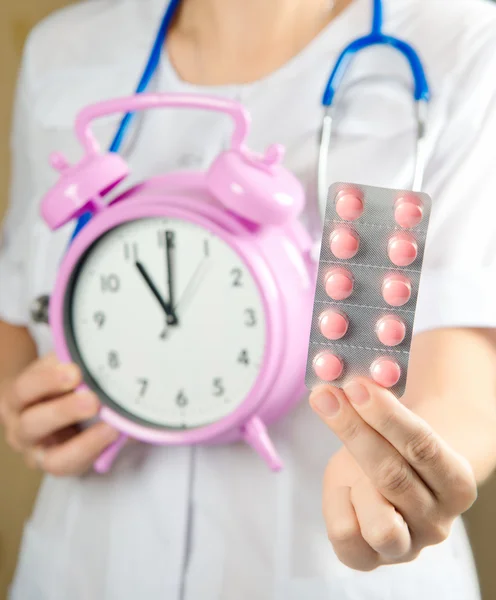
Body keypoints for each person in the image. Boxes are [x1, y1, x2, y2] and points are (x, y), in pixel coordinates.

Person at [1, 0, 496, 598]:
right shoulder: (64, 51)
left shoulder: (463, 39)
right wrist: (25, 406)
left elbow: (464, 364)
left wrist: (408, 475)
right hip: (85, 565)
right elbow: (19, 310)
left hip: (323, 571)